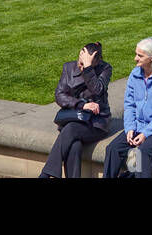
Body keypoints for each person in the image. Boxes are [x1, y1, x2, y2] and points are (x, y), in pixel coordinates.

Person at [102, 37, 152, 178]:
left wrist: (145, 133)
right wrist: (130, 128)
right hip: (138, 125)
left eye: (140, 55)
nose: (135, 58)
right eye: (136, 54)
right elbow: (129, 105)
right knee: (113, 148)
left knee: (142, 152)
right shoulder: (134, 74)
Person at [39, 43, 112, 179]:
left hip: (96, 123)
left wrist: (88, 69)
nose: (80, 63)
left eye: (85, 61)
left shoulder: (105, 69)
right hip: (74, 117)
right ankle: (47, 174)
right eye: (80, 58)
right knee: (74, 147)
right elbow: (59, 95)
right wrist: (81, 105)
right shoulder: (69, 68)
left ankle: (45, 174)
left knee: (71, 130)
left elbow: (98, 89)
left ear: (97, 60)